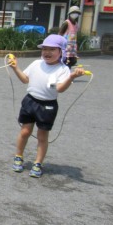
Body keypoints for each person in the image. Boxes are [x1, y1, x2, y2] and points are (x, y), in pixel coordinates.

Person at [9, 34, 85, 178]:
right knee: (25, 131)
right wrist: (15, 68)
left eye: (52, 49)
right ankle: (18, 156)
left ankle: (38, 163)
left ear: (61, 52)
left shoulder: (63, 69)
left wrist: (71, 77)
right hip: (30, 101)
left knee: (42, 135)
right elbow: (25, 80)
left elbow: (60, 89)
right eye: (44, 49)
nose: (47, 52)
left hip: (47, 105)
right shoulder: (36, 63)